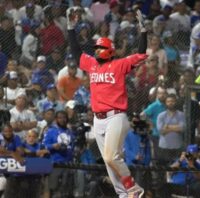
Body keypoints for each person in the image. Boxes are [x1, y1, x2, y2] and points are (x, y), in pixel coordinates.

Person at [67, 7, 148, 197]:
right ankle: (124, 194)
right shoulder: (92, 65)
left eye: (101, 47)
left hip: (116, 116)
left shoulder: (119, 64)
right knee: (109, 161)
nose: (97, 50)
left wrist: (143, 32)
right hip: (98, 119)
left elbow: (141, 54)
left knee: (112, 157)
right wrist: (71, 28)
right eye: (96, 47)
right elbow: (76, 51)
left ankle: (132, 187)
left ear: (110, 50)